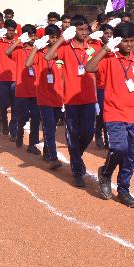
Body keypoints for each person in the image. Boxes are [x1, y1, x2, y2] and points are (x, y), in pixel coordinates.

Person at [85, 22, 134, 207]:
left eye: (131, 41)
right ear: (117, 41)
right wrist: (105, 48)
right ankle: (105, 174)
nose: (129, 45)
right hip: (114, 112)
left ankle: (123, 190)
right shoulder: (109, 59)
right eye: (125, 41)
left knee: (131, 154)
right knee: (119, 148)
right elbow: (89, 68)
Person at [44, 15, 99, 188]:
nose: (84, 33)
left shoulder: (92, 48)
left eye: (85, 29)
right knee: (73, 135)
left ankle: (77, 157)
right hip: (71, 100)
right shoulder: (66, 47)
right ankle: (76, 170)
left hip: (89, 99)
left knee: (88, 133)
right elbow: (48, 57)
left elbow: (96, 73)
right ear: (72, 30)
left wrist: (97, 98)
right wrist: (62, 38)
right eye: (80, 30)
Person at [25, 25, 64, 170]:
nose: (53, 40)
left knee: (53, 126)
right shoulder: (40, 52)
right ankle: (53, 157)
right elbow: (28, 63)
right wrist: (36, 47)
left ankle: (47, 149)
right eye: (51, 37)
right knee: (48, 126)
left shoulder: (61, 51)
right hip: (44, 95)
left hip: (58, 95)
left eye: (56, 37)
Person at [6, 24, 40, 153]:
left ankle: (32, 144)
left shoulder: (38, 49)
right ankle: (19, 132)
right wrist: (19, 40)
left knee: (36, 118)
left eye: (33, 35)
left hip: (36, 89)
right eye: (29, 35)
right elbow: (7, 52)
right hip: (22, 90)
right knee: (23, 117)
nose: (32, 38)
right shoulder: (19, 49)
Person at [91, 24, 113, 149]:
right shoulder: (95, 47)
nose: (109, 36)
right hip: (99, 86)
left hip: (112, 87)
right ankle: (98, 134)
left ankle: (108, 138)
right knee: (100, 114)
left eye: (110, 33)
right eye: (106, 33)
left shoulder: (115, 47)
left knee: (109, 114)